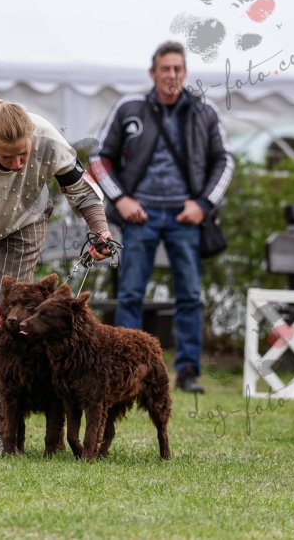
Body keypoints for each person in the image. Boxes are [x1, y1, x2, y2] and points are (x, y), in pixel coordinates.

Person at [0, 97, 112, 456]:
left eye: (23, 155)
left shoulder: (46, 137)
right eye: (7, 157)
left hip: (24, 220)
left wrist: (100, 230)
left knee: (11, 328)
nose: (17, 164)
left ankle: (3, 430)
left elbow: (79, 186)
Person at [90, 41, 234, 395]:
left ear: (185, 73)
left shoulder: (204, 111)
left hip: (185, 216)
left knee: (190, 295)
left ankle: (188, 372)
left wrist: (204, 204)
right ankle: (127, 371)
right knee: (131, 294)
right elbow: (98, 158)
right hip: (140, 214)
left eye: (178, 69)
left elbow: (225, 160)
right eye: (165, 69)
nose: (172, 75)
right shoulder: (130, 107)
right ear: (153, 73)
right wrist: (121, 199)